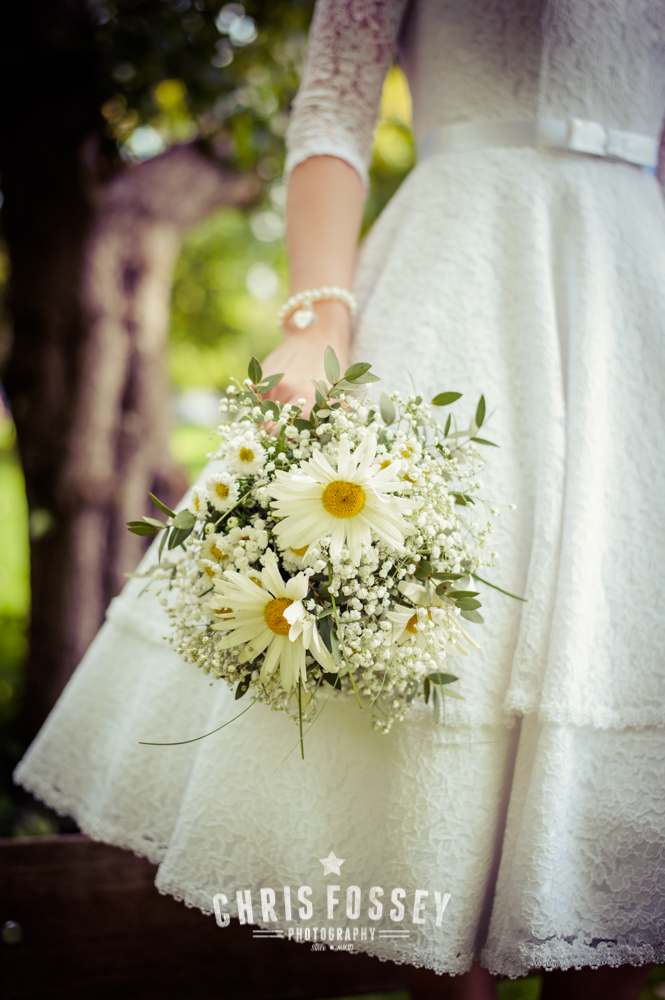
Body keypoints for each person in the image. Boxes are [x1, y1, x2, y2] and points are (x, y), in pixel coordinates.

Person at [14, 1, 665, 997]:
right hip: (460, 277)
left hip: (633, 292)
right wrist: (317, 317)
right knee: (420, 657)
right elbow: (330, 106)